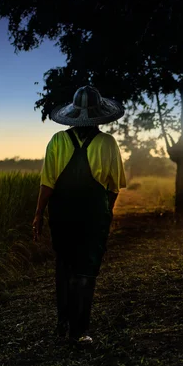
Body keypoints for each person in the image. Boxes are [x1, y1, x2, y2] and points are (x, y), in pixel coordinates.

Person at [32, 85, 126, 344]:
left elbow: (47, 184)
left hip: (61, 213)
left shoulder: (57, 141)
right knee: (86, 268)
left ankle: (63, 323)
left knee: (64, 265)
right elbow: (113, 188)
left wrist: (39, 214)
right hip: (93, 216)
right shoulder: (108, 143)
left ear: (73, 115)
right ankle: (79, 330)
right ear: (99, 115)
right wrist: (105, 215)